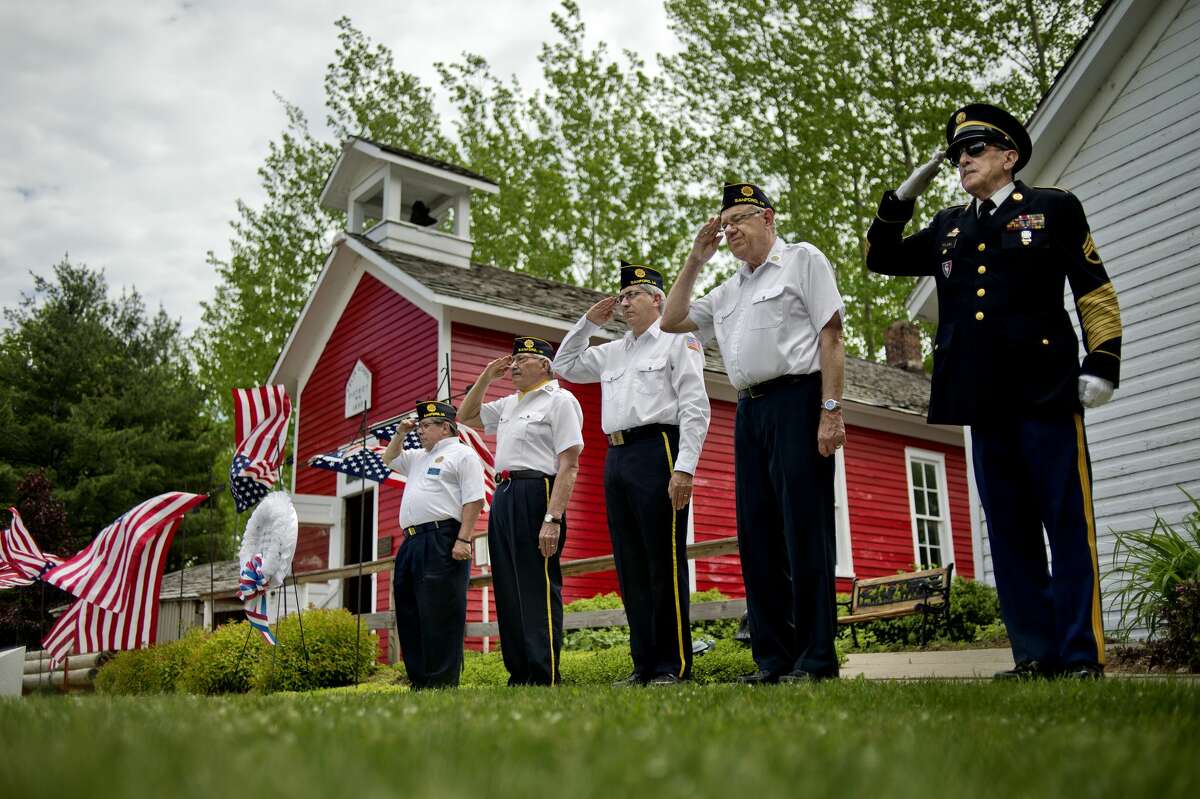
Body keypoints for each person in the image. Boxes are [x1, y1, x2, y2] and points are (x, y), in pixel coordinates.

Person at [864, 103, 1122, 680]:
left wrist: (1102, 361)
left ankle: (1082, 655)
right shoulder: (950, 226)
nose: (962, 160)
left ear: (1009, 157)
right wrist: (904, 195)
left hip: (1046, 392)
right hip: (981, 401)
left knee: (1066, 526)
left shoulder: (1052, 208)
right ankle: (1036, 654)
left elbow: (1094, 290)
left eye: (974, 150)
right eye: (957, 154)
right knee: (1008, 533)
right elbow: (879, 257)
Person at [661, 183, 847, 684]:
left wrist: (831, 410)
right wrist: (696, 259)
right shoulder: (729, 289)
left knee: (804, 532)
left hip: (798, 401)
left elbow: (832, 334)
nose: (731, 230)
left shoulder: (802, 260)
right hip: (750, 412)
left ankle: (815, 660)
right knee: (758, 537)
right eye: (725, 224)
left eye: (740, 218)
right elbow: (671, 319)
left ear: (768, 216)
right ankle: (773, 659)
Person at [553, 262, 711, 685]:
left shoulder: (679, 341)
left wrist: (685, 468)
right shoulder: (613, 351)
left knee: (663, 560)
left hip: (659, 450)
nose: (623, 304)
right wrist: (588, 322)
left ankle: (672, 665)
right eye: (620, 297)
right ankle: (644, 665)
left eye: (631, 296)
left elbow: (695, 405)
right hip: (617, 456)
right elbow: (564, 364)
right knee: (631, 566)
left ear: (657, 299)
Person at [458, 336, 584, 685]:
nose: (513, 366)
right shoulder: (509, 403)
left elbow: (569, 464)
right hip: (505, 492)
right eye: (512, 360)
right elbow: (466, 417)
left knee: (536, 585)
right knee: (508, 586)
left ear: (544, 365)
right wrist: (485, 376)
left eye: (522, 360)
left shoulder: (560, 401)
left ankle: (544, 673)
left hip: (537, 491)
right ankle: (520, 673)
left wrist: (553, 518)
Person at [382, 400, 485, 689]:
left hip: (443, 537)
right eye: (421, 426)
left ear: (445, 428)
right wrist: (400, 433)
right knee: (410, 610)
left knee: (439, 610)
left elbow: (474, 500)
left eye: (427, 426)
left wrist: (463, 538)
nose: (421, 431)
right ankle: (419, 681)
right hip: (411, 541)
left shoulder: (462, 454)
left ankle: (441, 681)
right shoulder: (417, 457)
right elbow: (389, 459)